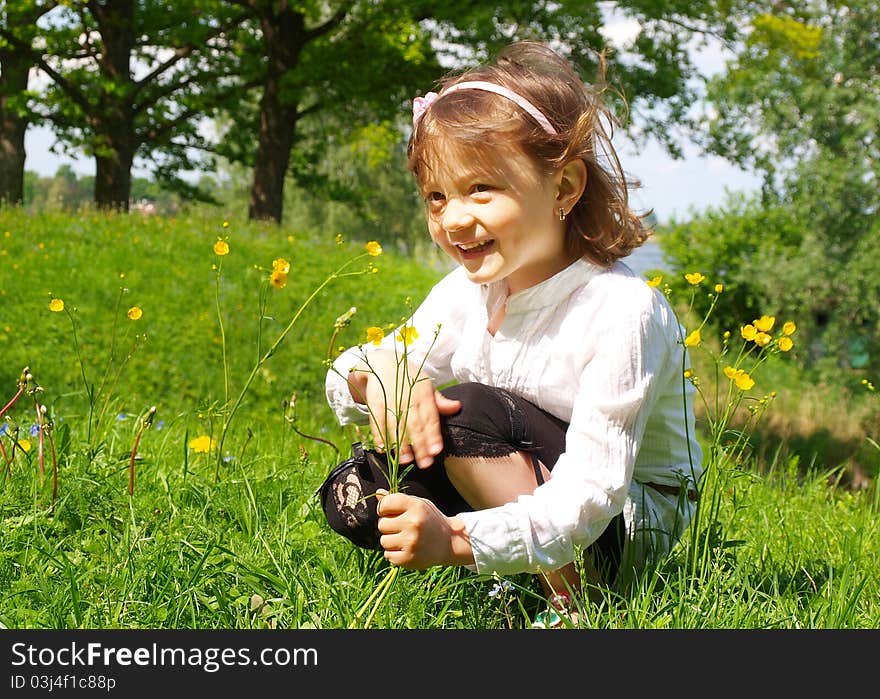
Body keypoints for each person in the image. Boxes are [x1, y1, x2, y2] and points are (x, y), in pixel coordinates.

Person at [323, 41, 702, 615]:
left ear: (564, 189)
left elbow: (594, 493)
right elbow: (351, 367)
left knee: (465, 413)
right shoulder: (467, 293)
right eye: (436, 196)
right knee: (359, 489)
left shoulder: (621, 309)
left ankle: (573, 604)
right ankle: (509, 576)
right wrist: (381, 377)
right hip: (533, 476)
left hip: (625, 523)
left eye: (481, 189)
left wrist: (456, 541)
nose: (453, 218)